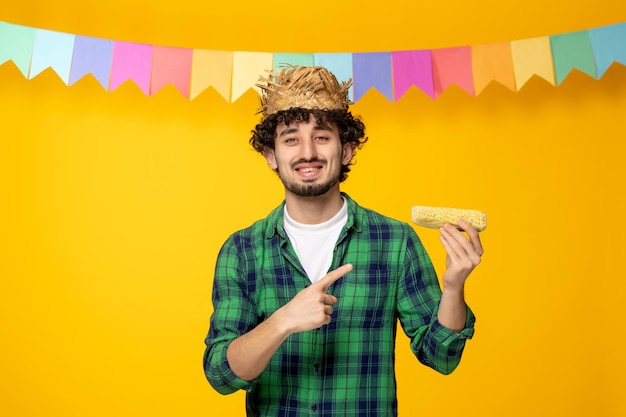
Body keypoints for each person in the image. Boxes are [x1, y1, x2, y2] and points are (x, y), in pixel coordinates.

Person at [203, 65, 484, 416]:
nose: (307, 152)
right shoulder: (242, 251)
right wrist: (283, 321)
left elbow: (441, 357)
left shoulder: (395, 242)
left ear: (347, 149)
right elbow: (221, 374)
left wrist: (455, 287)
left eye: (322, 136)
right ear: (272, 155)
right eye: (291, 138)